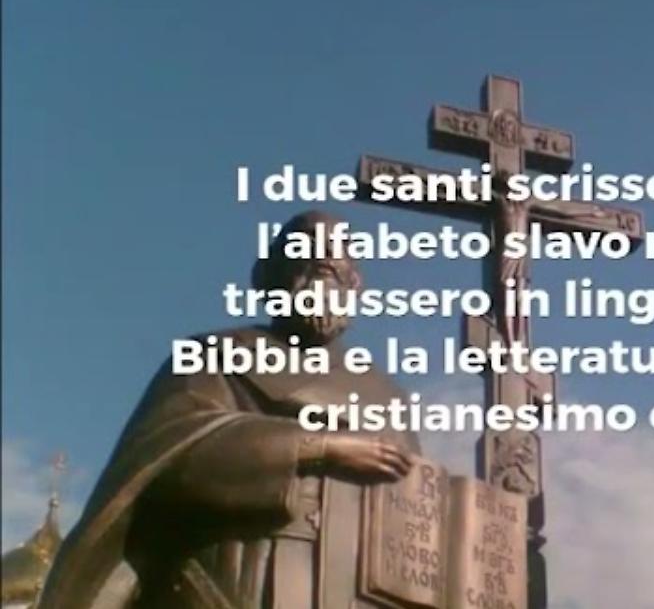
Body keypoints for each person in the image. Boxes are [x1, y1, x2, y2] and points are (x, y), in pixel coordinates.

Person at [40, 211, 419, 609]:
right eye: (305, 246)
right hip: (232, 582)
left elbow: (408, 520)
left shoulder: (386, 396)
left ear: (355, 282)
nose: (324, 257)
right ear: (268, 275)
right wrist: (319, 446)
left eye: (338, 251)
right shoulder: (214, 356)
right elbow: (168, 456)